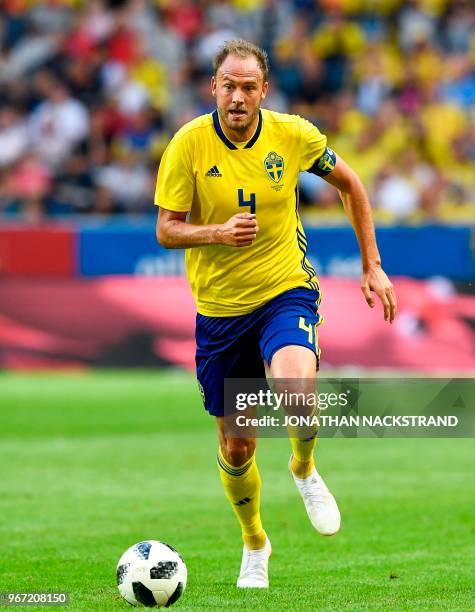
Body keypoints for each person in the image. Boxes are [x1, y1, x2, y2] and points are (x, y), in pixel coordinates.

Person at [155, 39, 397, 589]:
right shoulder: (187, 145)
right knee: (237, 446)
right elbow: (166, 228)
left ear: (264, 91)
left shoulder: (293, 134)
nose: (237, 97)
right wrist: (215, 232)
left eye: (247, 87)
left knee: (296, 389)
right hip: (219, 311)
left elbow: (350, 183)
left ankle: (305, 468)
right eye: (227, 85)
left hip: (284, 289)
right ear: (212, 88)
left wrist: (372, 265)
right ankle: (255, 542)